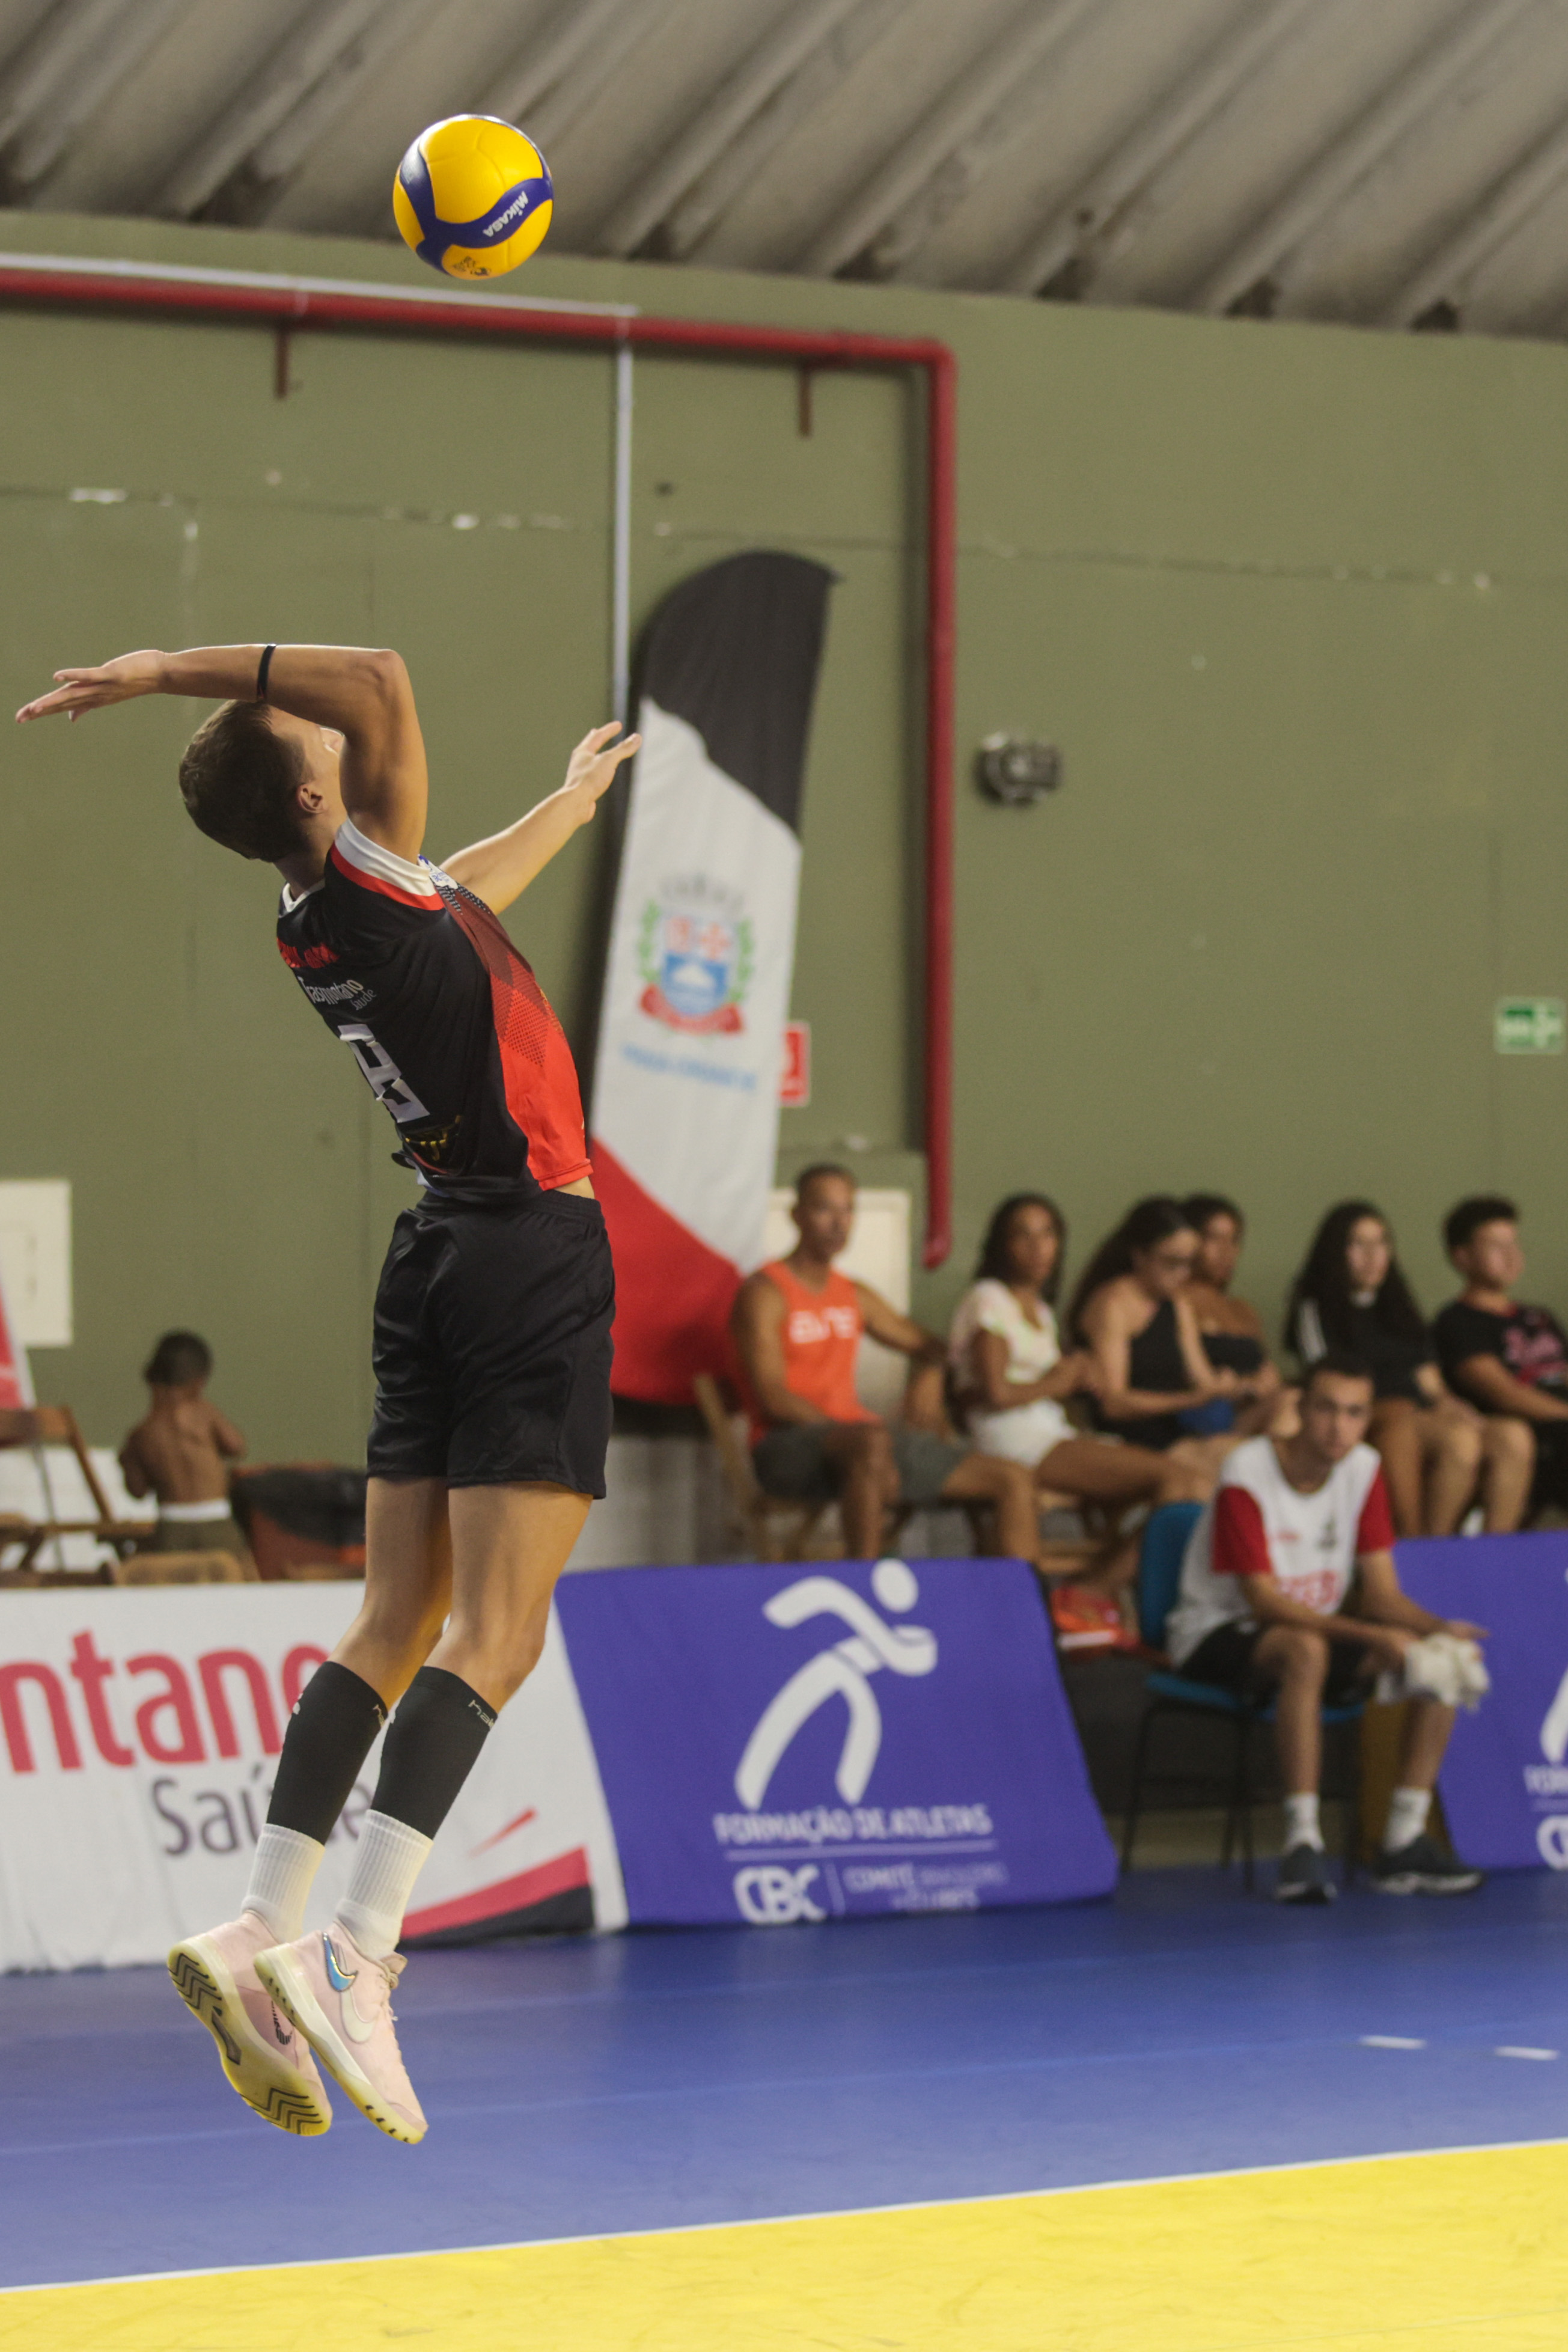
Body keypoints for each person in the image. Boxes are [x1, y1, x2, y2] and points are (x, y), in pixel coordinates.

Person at [18, 640, 638, 2146]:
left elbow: (465, 888)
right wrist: (160, 671)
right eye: (313, 740)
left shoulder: (321, 911)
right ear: (314, 794)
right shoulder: (359, 861)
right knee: (498, 1633)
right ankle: (356, 1952)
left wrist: (568, 803)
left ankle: (257, 1921)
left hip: (431, 1255)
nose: (340, 737)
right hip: (527, 1249)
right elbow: (380, 672)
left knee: (390, 1618)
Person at [1165, 1352, 1487, 1903]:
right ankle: (1302, 1844)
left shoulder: (1363, 1469)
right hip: (1216, 1629)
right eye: (1326, 1409)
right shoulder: (1248, 1468)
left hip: (1316, 1628)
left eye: (1354, 1413)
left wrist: (1440, 1628)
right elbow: (1262, 1602)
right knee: (1306, 1651)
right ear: (1300, 1407)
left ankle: (1402, 1839)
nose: (1338, 1427)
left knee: (1439, 1659)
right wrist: (1371, 1636)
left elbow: (1381, 1594)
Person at [731, 1165, 1049, 1571]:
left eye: (848, 1210)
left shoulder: (853, 1293)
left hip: (866, 1445)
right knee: (872, 1443)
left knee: (1012, 1478)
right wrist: (856, 1436)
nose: (838, 1223)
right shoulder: (765, 1292)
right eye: (824, 1209)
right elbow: (773, 1397)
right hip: (786, 1446)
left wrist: (930, 1374)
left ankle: (1026, 1606)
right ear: (797, 1215)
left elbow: (934, 1346)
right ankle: (866, 1588)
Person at [947, 1194, 1207, 1631]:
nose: (1038, 1247)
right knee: (1176, 1481)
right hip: (1011, 1439)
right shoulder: (989, 1299)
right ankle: (1093, 1589)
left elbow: (1049, 1383)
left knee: (1189, 1485)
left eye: (1048, 1235)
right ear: (1001, 1244)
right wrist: (1060, 1382)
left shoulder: (1041, 1310)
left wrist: (1081, 1375)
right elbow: (995, 1392)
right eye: (1024, 1235)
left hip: (1049, 1429)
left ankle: (1094, 1590)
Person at [1287, 1200, 1531, 1536]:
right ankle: (1427, 1545)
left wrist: (1451, 1406)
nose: (1373, 1255)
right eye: (1359, 1244)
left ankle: (1496, 1551)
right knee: (1453, 1441)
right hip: (1377, 1414)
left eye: (1381, 1243)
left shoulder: (1399, 1305)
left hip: (1422, 1412)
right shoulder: (1316, 1307)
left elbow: (1429, 1379)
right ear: (1335, 1251)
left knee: (1512, 1436)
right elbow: (1325, 1381)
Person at [1067, 1197, 1269, 1493]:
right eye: (1172, 1263)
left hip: (1179, 1429)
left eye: (1189, 1263)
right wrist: (1189, 1400)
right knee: (1239, 1467)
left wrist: (1236, 1387)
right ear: (1140, 1256)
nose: (1183, 1275)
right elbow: (1114, 1403)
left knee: (1262, 1452)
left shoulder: (1176, 1303)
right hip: (1132, 1436)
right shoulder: (1114, 1303)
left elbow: (1202, 1379)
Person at [1435, 1195, 1568, 1521]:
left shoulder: (1539, 1317)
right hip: (1531, 1431)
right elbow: (1503, 1392)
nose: (1511, 1255)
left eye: (1514, 1244)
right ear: (1462, 1256)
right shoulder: (1457, 1321)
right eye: (1496, 1246)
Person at [119, 1330, 252, 1569]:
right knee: (234, 1575)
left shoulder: (141, 1434)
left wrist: (127, 1463)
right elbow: (236, 1447)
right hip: (216, 1520)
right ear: (199, 1382)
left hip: (172, 1526)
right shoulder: (205, 1414)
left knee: (170, 1580)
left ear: (152, 1381)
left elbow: (137, 1492)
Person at [1182, 1193, 1290, 1436]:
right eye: (1214, 1239)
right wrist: (1241, 1387)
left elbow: (1269, 1372)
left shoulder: (1243, 1311)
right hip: (1205, 1415)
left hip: (1253, 1413)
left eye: (1234, 1241)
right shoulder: (1178, 1302)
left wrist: (1264, 1385)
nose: (1227, 1252)